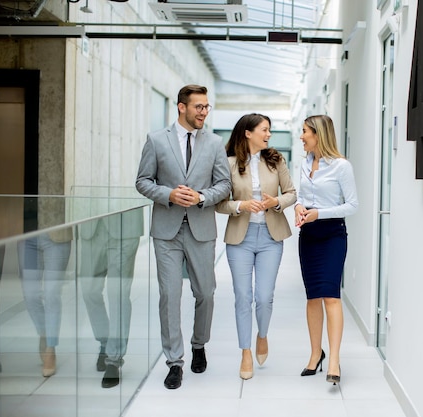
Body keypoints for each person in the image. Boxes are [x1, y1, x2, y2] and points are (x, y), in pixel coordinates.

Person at [136, 84, 231, 390]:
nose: (204, 112)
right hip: (167, 231)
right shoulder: (156, 140)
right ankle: (174, 362)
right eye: (199, 107)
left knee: (205, 293)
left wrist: (202, 196)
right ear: (181, 107)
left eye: (207, 107)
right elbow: (142, 181)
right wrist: (169, 194)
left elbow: (224, 185)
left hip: (201, 229)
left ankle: (199, 344)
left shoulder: (215, 143)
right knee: (169, 296)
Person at [215, 113, 297, 380]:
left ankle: (262, 335)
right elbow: (219, 203)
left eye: (270, 130)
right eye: (265, 130)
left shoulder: (276, 160)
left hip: (271, 237)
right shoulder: (227, 164)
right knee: (242, 297)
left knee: (263, 297)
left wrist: (275, 202)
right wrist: (241, 205)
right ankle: (246, 352)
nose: (269, 134)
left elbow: (292, 193)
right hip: (240, 237)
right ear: (248, 133)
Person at [294, 115, 358, 385]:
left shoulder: (341, 166)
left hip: (332, 235)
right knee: (312, 298)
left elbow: (353, 205)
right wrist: (298, 206)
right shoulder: (304, 163)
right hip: (308, 235)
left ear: (318, 134)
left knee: (330, 296)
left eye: (305, 132)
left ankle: (334, 359)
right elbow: (300, 197)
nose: (301, 136)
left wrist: (319, 213)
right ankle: (314, 354)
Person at [79, 207, 144, 388]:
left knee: (118, 293)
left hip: (125, 224)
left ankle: (114, 359)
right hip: (91, 224)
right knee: (89, 290)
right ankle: (105, 341)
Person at [17, 227, 72, 378]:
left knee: (52, 293)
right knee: (30, 295)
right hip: (27, 234)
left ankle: (50, 348)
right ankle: (46, 333)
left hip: (57, 233)